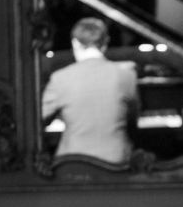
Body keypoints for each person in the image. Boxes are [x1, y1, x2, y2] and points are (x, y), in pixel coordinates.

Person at [41, 17, 139, 164]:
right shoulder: (127, 75)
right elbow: (132, 122)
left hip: (73, 163)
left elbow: (39, 120)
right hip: (117, 163)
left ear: (75, 43)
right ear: (106, 42)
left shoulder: (60, 78)